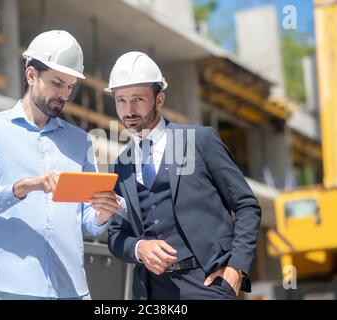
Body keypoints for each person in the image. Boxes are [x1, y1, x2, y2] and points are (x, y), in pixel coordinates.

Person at [0, 30, 121, 300]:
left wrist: (102, 213)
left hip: (71, 290)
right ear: (31, 75)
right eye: (57, 83)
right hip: (8, 288)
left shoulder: (81, 142)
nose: (64, 94)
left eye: (69, 87)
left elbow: (88, 223)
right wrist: (23, 187)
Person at [106, 52, 261, 300]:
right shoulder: (121, 165)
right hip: (151, 292)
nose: (129, 110)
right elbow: (116, 235)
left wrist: (235, 269)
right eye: (121, 100)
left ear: (159, 99)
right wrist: (139, 247)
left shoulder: (200, 140)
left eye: (138, 99)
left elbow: (246, 206)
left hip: (208, 284)